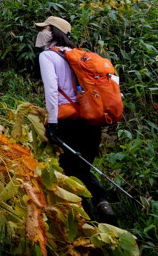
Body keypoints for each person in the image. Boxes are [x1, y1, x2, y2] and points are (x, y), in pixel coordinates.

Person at [34, 16, 116, 223]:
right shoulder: (80, 56)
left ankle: (84, 221)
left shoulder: (47, 56)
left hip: (67, 123)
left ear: (53, 32)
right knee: (84, 168)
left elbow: (51, 91)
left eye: (44, 28)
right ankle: (102, 203)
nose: (40, 32)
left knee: (69, 171)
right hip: (90, 121)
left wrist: (52, 124)